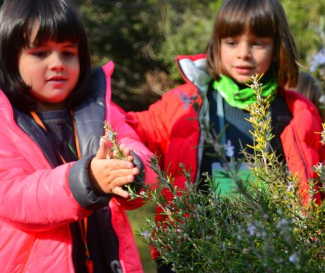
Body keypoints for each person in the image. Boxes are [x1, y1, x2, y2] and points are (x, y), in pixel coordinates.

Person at [126, 0, 324, 272]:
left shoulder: (298, 111)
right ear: (217, 45)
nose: (243, 54)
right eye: (232, 42)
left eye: (257, 43)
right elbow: (130, 128)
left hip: (272, 257)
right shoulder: (185, 102)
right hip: (192, 256)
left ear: (278, 48)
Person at [0, 0, 156, 272]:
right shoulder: (4, 121)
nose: (57, 63)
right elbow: (12, 195)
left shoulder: (102, 109)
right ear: (10, 57)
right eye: (40, 53)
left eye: (68, 53)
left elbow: (135, 149)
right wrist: (87, 180)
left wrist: (134, 168)